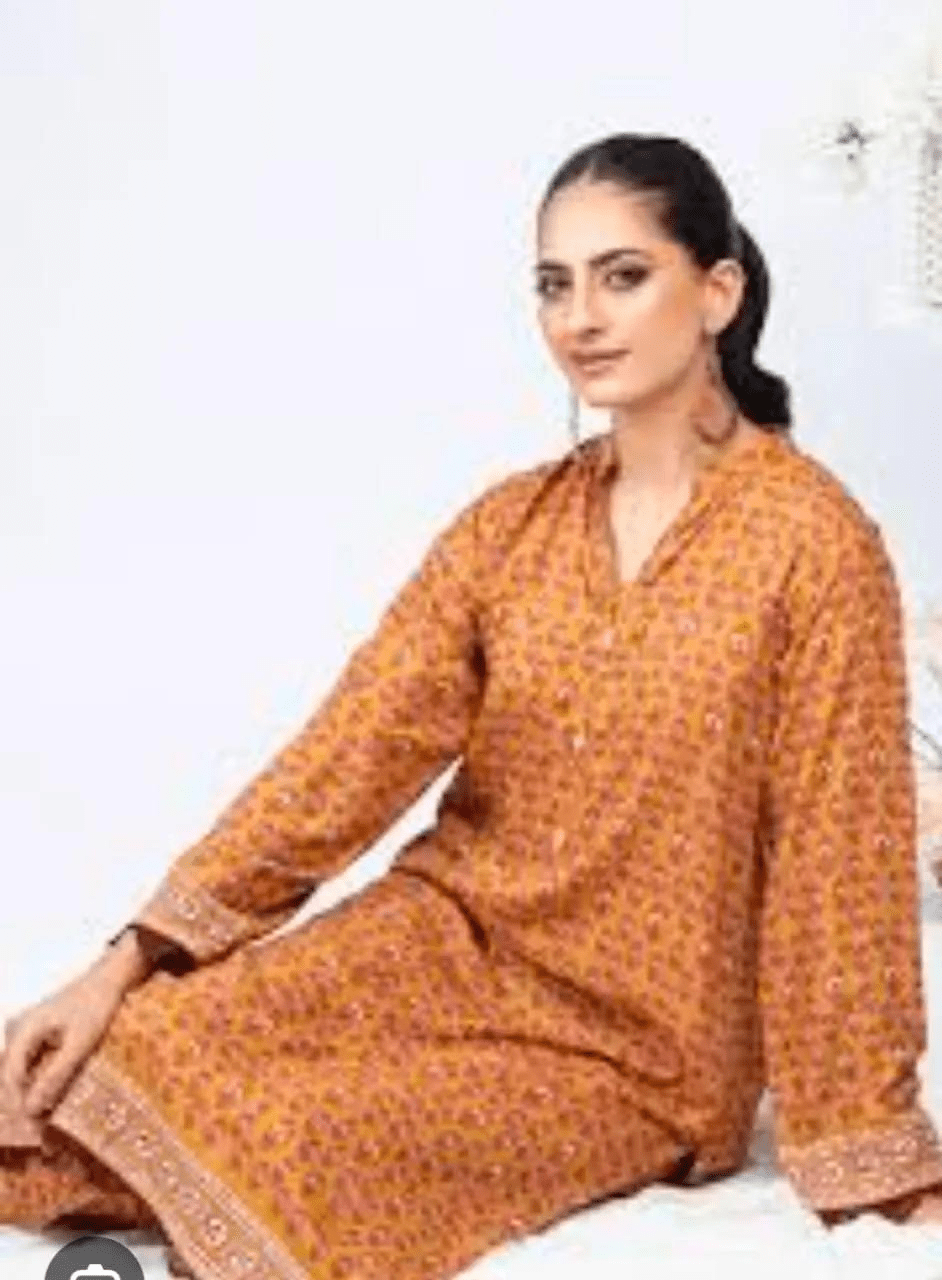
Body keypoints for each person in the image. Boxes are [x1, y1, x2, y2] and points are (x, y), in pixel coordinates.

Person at [2, 132, 942, 1280]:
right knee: (104, 1058)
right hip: (435, 945)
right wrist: (124, 963)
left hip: (634, 1048)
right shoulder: (511, 524)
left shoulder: (815, 546)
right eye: (554, 284)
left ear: (718, 292)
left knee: (302, 1139)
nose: (580, 317)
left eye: (622, 275)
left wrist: (867, 1148)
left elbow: (840, 861)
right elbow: (344, 756)